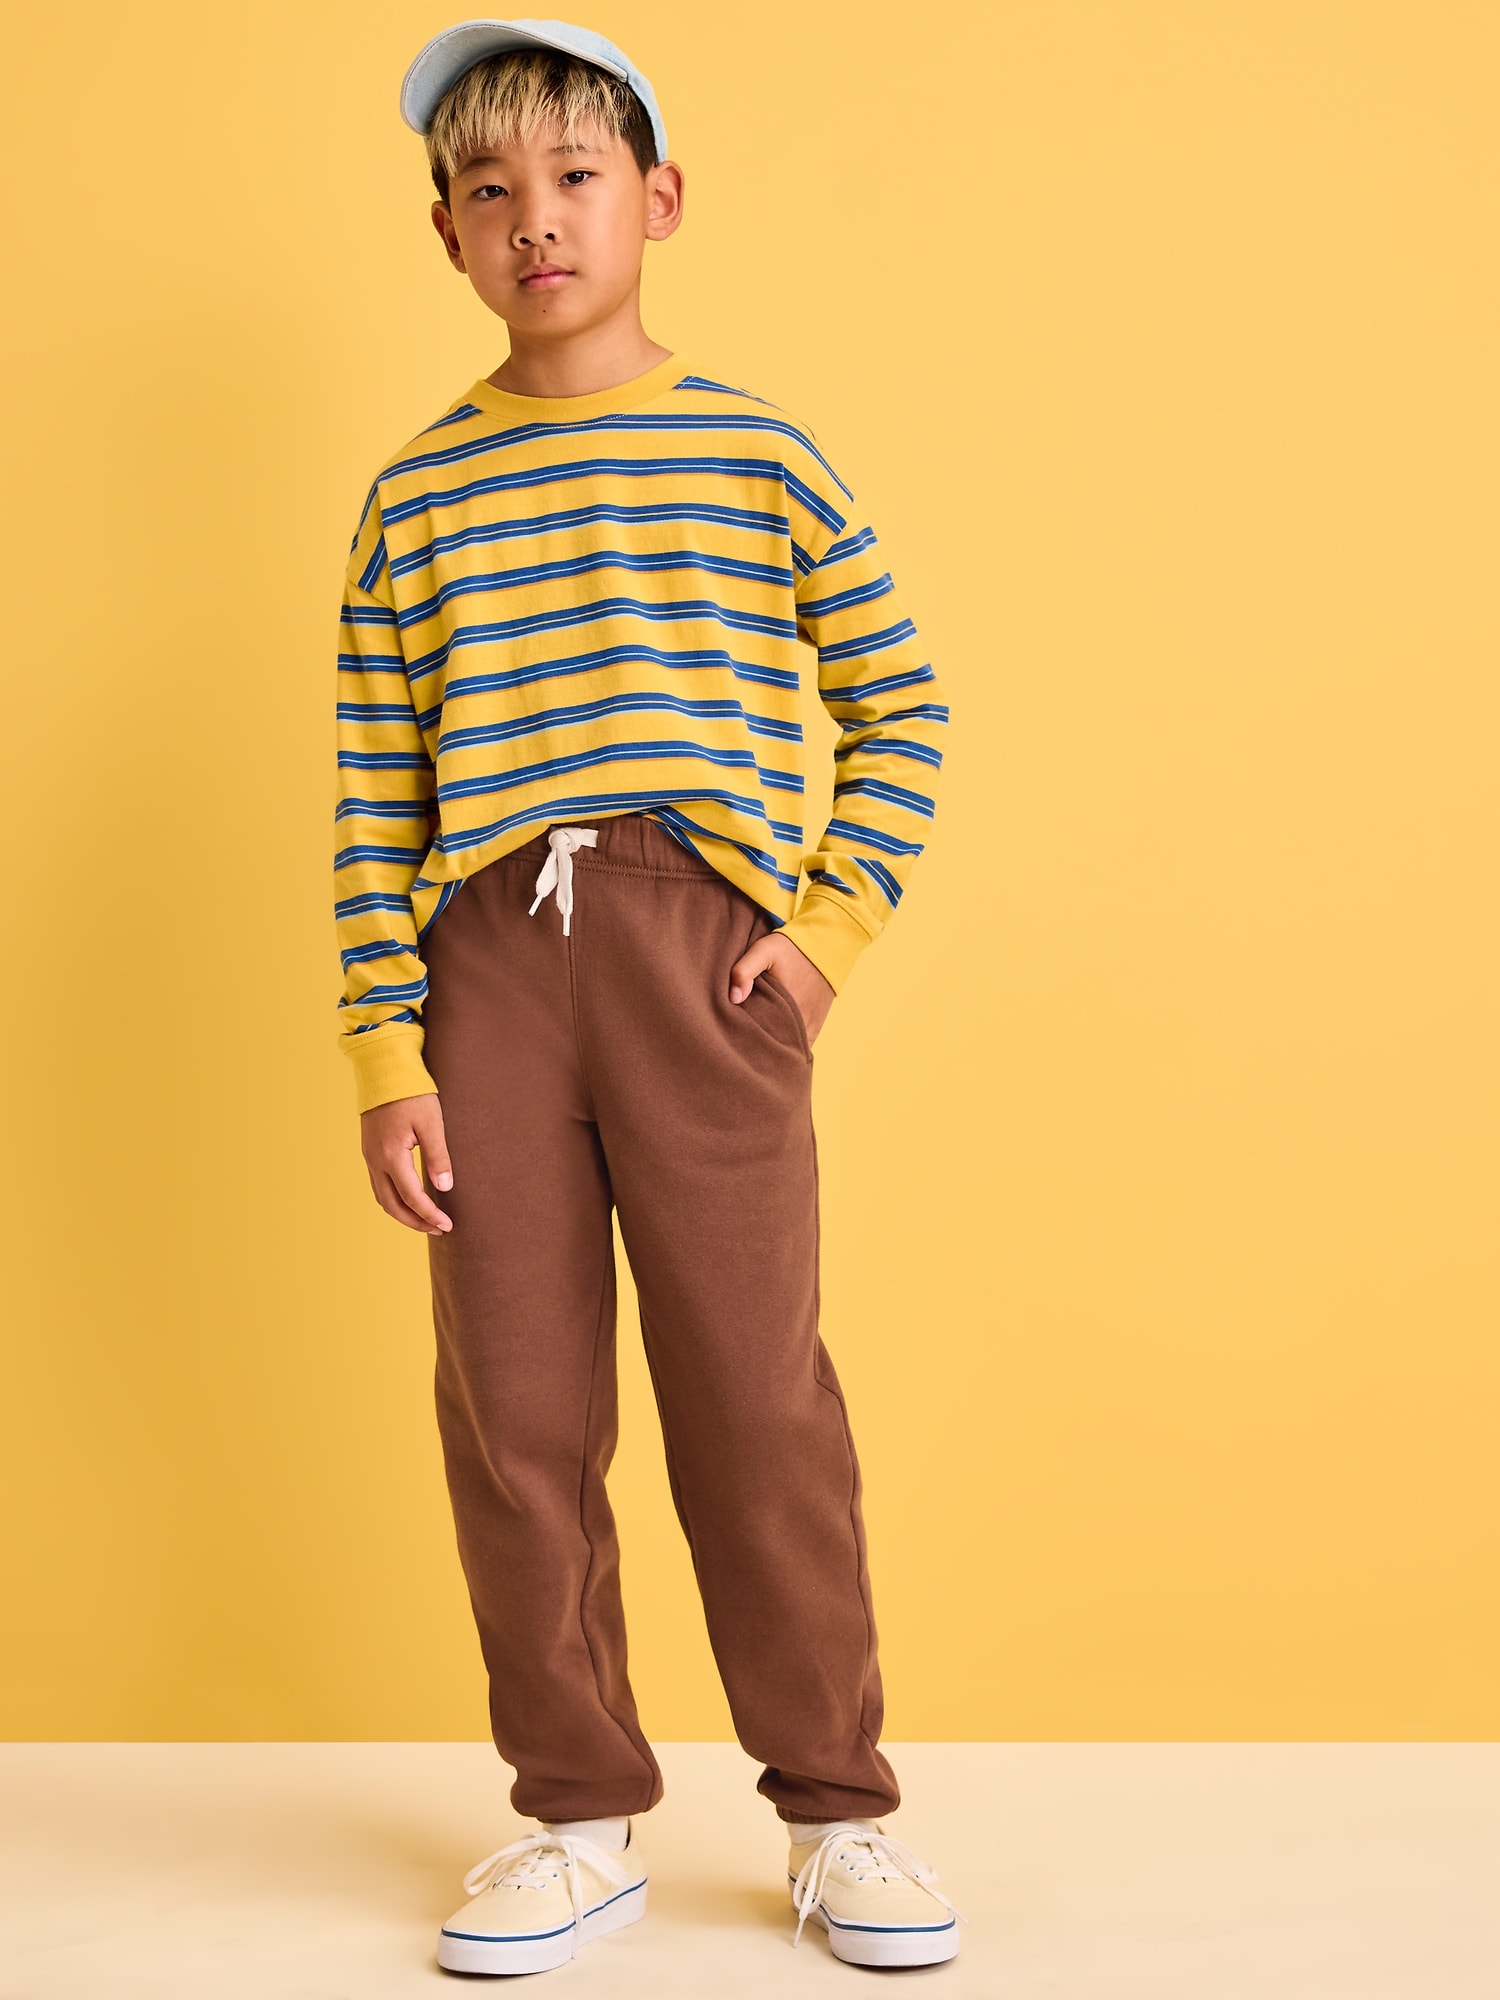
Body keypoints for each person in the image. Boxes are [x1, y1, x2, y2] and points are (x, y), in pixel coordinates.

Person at [333, 16, 956, 1976]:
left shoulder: (758, 452)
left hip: (706, 961)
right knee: (517, 1413)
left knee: (757, 1399)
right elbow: (374, 796)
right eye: (489, 188)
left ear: (658, 200)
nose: (535, 218)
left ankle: (840, 1811)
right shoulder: (416, 495)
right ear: (446, 232)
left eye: (575, 177)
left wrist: (823, 939)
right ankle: (574, 1816)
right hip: (487, 970)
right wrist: (386, 1050)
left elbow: (904, 708)